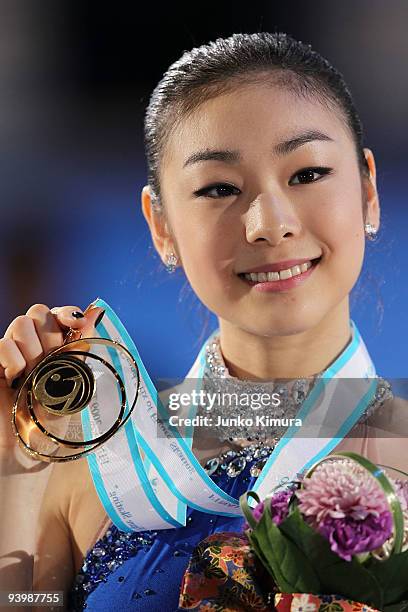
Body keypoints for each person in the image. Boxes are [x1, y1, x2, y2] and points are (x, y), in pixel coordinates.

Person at [0, 32, 407, 611]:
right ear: (160, 225)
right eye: (219, 188)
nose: (270, 223)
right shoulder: (96, 462)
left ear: (367, 188)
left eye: (308, 173)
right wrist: (18, 471)